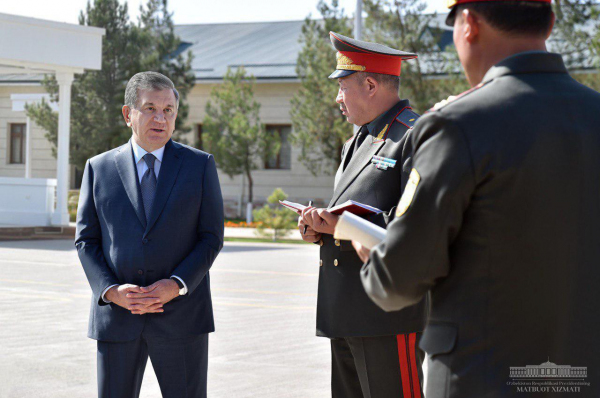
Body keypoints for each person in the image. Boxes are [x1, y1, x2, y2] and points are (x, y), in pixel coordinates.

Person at [355, 1, 600, 397]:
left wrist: (374, 257)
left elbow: (398, 281)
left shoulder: (457, 125)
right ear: (551, 22)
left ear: (468, 24)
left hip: (481, 379)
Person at [75, 71, 224, 398]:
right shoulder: (98, 168)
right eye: (150, 108)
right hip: (117, 318)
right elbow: (86, 240)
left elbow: (211, 237)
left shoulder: (199, 166)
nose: (161, 118)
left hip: (183, 319)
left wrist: (176, 285)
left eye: (168, 110)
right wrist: (111, 290)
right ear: (129, 114)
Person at [299, 32, 428, 398]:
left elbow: (415, 225)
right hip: (345, 310)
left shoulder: (413, 136)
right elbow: (353, 210)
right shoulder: (358, 140)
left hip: (386, 315)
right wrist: (319, 228)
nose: (337, 98)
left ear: (370, 84)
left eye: (342, 87)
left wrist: (343, 223)